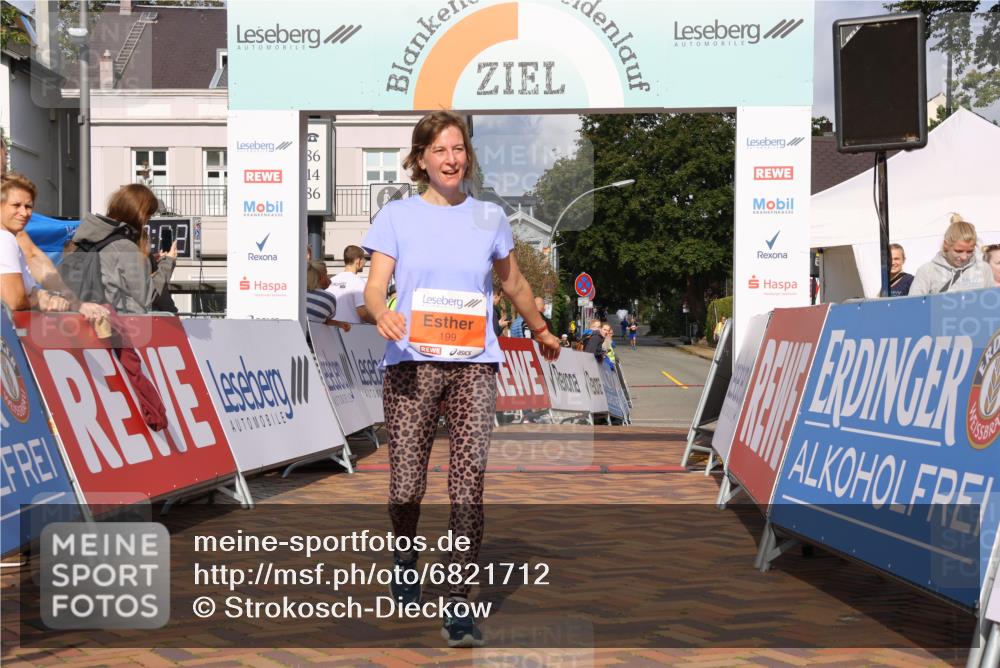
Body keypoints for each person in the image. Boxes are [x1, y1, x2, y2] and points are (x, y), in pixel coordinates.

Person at [362, 111, 560, 648]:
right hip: (410, 363)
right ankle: (405, 553)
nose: (452, 159)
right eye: (441, 150)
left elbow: (513, 280)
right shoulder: (397, 216)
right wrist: (381, 312)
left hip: (474, 365)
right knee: (406, 487)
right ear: (420, 159)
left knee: (468, 487)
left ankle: (458, 605)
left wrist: (541, 329)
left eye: (459, 149)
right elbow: (374, 287)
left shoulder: (490, 216)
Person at [65, 184, 177, 313]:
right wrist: (168, 262)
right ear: (139, 214)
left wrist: (145, 263)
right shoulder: (127, 248)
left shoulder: (91, 238)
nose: (148, 220)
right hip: (123, 324)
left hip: (88, 316)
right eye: (148, 215)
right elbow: (148, 297)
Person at [909, 214, 993, 295]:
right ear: (946, 245)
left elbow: (991, 302)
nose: (964, 257)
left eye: (970, 251)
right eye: (958, 251)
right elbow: (913, 306)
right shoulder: (927, 271)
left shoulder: (984, 269)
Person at [327, 245, 376, 324]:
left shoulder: (331, 281)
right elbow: (362, 312)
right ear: (358, 261)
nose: (364, 263)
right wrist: (378, 322)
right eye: (364, 259)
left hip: (331, 330)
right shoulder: (358, 282)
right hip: (351, 331)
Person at [306, 261, 350, 331]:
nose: (329, 279)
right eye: (326, 274)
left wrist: (339, 323)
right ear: (321, 276)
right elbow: (323, 318)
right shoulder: (329, 298)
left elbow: (322, 319)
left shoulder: (297, 293)